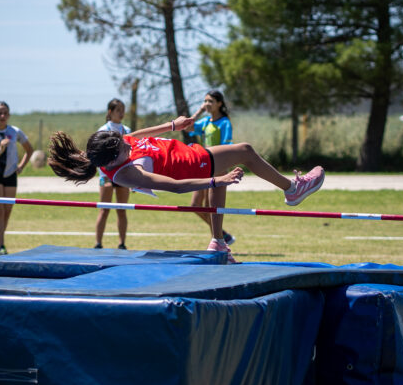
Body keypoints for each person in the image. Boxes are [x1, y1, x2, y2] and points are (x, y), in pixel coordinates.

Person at [48, 115, 324, 263]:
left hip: (188, 152)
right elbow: (175, 187)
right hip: (191, 164)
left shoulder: (113, 146)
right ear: (112, 161)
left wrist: (172, 125)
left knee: (228, 166)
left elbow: (137, 136)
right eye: (123, 149)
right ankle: (292, 189)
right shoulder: (127, 173)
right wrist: (215, 181)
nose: (127, 145)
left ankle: (218, 241)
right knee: (245, 151)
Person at [0, 101, 34, 256]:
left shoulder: (14, 132)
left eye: (5, 113)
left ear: (9, 115)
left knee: (7, 213)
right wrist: (0, 149)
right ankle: (2, 247)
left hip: (10, 175)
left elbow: (29, 150)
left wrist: (21, 166)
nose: (2, 116)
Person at [188, 90, 236, 246]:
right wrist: (199, 111)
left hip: (217, 166)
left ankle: (217, 243)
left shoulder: (224, 122)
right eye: (205, 101)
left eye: (210, 101)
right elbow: (188, 127)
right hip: (203, 166)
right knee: (195, 206)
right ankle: (221, 235)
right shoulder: (205, 121)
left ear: (219, 104)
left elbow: (227, 146)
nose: (207, 104)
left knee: (211, 207)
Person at [94, 98, 131, 250]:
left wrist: (134, 180)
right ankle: (98, 243)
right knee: (104, 210)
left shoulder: (127, 130)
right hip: (106, 175)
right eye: (118, 110)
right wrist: (103, 176)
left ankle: (122, 244)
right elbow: (96, 155)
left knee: (122, 210)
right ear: (110, 112)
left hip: (123, 175)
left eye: (123, 110)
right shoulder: (103, 130)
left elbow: (132, 155)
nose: (121, 113)